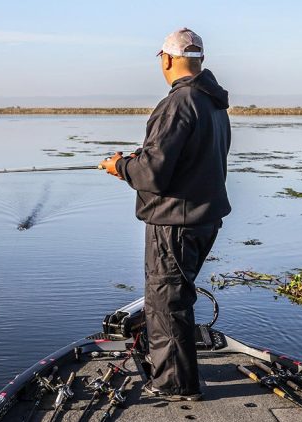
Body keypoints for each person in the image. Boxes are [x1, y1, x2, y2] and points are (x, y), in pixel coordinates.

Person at [98, 28, 231, 401]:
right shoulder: (212, 103)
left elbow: (152, 174)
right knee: (177, 297)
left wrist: (120, 165)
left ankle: (174, 385)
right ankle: (178, 376)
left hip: (175, 222)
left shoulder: (178, 103)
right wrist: (137, 159)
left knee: (165, 301)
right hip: (203, 218)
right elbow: (181, 161)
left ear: (167, 60)